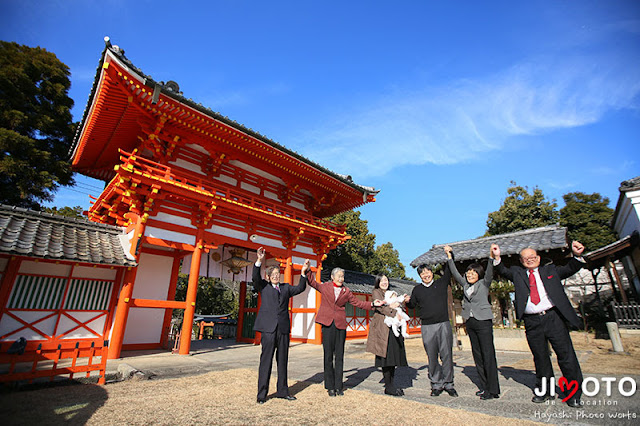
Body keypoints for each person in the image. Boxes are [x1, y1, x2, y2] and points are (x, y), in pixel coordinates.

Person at [491, 241, 585, 408]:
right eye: (525, 258)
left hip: (553, 317)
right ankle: (545, 391)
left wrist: (576, 256)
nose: (530, 260)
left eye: (533, 257)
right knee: (540, 357)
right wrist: (497, 257)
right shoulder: (518, 273)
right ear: (521, 261)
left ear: (539, 258)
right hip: (532, 321)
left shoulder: (551, 270)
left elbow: (570, 268)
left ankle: (574, 393)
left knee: (565, 355)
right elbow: (502, 270)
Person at [304, 262, 383, 396]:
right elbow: (313, 283)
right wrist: (308, 270)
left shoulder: (346, 291)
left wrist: (373, 304)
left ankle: (339, 386)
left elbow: (358, 303)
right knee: (328, 355)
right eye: (339, 276)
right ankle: (330, 386)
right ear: (332, 277)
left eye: (342, 276)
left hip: (340, 324)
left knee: (339, 356)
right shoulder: (325, 286)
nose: (341, 279)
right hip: (328, 324)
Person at [253, 247, 308, 404]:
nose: (276, 276)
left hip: (283, 329)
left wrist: (303, 273)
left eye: (278, 274)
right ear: (268, 277)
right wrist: (259, 260)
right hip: (268, 329)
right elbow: (255, 277)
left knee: (282, 361)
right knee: (266, 361)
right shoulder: (263, 287)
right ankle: (262, 395)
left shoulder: (285, 288)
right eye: (273, 275)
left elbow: (300, 288)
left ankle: (283, 391)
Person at [445, 245, 500, 400]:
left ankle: (493, 389)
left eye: (473, 272)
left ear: (479, 274)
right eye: (468, 272)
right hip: (471, 321)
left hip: (483, 321)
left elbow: (490, 271)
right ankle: (484, 387)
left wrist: (491, 256)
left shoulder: (484, 283)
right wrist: (450, 257)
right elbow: (455, 273)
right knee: (478, 355)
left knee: (488, 354)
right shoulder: (465, 285)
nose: (470, 274)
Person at [406, 249, 457, 397]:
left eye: (428, 271)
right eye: (422, 273)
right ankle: (436, 384)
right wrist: (406, 301)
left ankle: (449, 384)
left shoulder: (441, 283)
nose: (425, 275)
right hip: (427, 327)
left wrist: (449, 255)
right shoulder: (417, 290)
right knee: (432, 356)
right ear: (420, 276)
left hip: (443, 324)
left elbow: (449, 270)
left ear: (431, 272)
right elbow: (412, 306)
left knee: (447, 354)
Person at [366, 274, 409, 396]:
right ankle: (389, 386)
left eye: (386, 280)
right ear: (378, 282)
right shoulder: (376, 292)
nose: (384, 282)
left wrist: (399, 305)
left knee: (393, 356)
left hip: (394, 325)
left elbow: (399, 304)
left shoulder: (392, 292)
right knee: (385, 357)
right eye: (382, 280)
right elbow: (380, 307)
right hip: (383, 328)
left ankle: (392, 384)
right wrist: (393, 308)